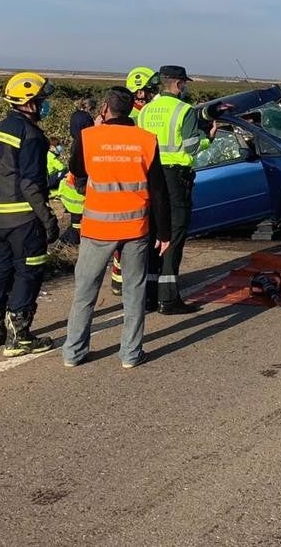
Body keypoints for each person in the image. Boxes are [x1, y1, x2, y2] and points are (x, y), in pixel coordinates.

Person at [63, 87, 172, 369]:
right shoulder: (146, 140)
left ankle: (73, 352)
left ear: (105, 109)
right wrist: (164, 233)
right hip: (135, 228)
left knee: (85, 291)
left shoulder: (88, 137)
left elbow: (77, 170)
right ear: (131, 109)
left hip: (97, 229)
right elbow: (159, 191)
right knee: (133, 293)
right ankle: (130, 354)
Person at [0, 72, 59, 357]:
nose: (45, 105)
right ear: (29, 102)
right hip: (25, 218)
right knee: (28, 272)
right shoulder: (32, 135)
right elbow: (30, 184)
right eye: (41, 100)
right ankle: (20, 336)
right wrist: (48, 219)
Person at [137, 65, 225, 314]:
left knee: (154, 233)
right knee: (174, 236)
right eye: (184, 84)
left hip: (150, 176)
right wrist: (209, 136)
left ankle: (149, 297)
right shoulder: (184, 110)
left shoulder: (146, 111)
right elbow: (191, 147)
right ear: (177, 84)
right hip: (175, 178)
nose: (185, 88)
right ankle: (169, 299)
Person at [111, 67, 160, 294]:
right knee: (131, 236)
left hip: (127, 183)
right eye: (146, 90)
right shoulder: (133, 117)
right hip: (131, 183)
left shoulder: (135, 113)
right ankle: (125, 280)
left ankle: (120, 279)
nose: (148, 94)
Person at [58, 98, 96, 245]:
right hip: (79, 197)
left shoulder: (74, 115)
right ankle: (74, 240)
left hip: (70, 195)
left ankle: (69, 239)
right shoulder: (86, 118)